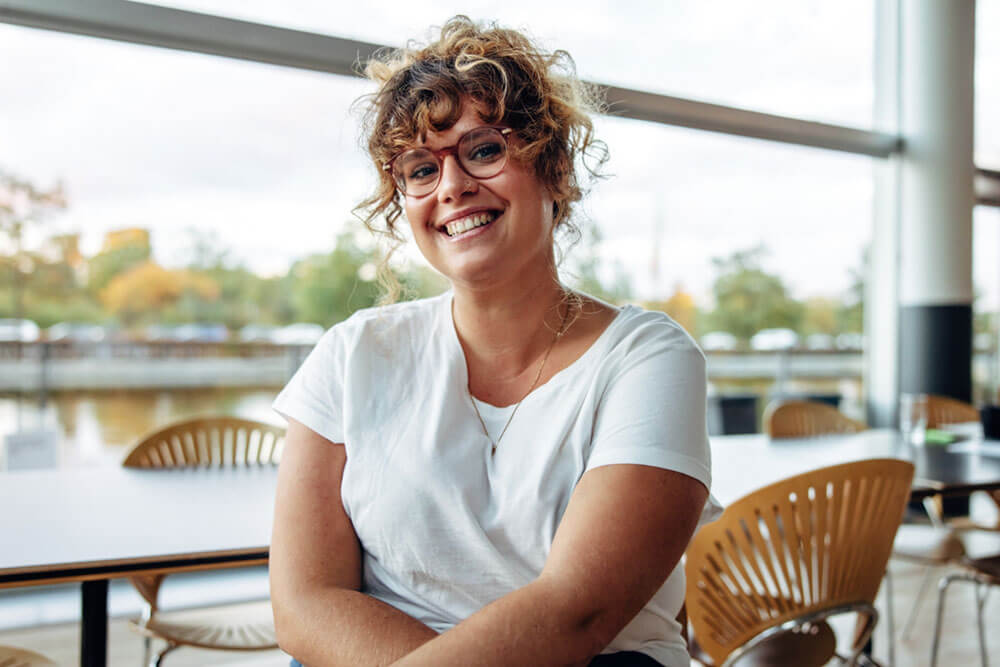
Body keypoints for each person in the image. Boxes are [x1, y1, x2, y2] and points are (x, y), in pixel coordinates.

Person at [269, 16, 721, 667]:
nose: (451, 186)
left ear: (553, 168)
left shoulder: (647, 358)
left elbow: (576, 612)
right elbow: (305, 603)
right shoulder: (351, 354)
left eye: (482, 150)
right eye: (420, 168)